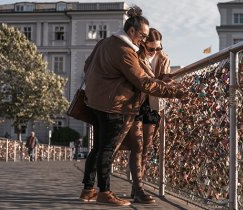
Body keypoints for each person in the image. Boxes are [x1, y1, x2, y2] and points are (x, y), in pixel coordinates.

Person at [79, 6, 185, 206]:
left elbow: (87, 65)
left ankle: (88, 189)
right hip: (113, 105)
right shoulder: (125, 51)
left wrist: (105, 81)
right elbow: (143, 83)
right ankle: (105, 192)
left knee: (99, 147)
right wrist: (175, 92)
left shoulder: (105, 42)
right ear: (132, 32)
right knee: (107, 149)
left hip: (96, 101)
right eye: (143, 36)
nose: (144, 40)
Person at [117, 28, 171, 204]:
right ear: (143, 44)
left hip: (153, 105)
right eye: (151, 49)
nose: (155, 52)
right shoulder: (135, 56)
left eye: (158, 48)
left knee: (146, 149)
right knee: (137, 146)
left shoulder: (163, 58)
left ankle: (136, 188)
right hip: (137, 104)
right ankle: (139, 188)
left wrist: (164, 69)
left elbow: (164, 84)